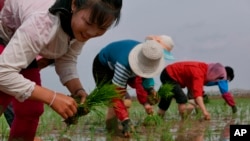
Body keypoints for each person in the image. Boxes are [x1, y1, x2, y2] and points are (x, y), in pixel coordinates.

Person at [0, 0, 122, 140]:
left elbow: (67, 59)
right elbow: (2, 73)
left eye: (102, 28)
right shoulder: (43, 23)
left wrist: (78, 91)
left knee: (31, 110)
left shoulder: (78, 28)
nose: (92, 32)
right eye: (88, 23)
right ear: (74, 5)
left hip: (22, 48)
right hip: (3, 35)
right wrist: (52, 98)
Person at [92, 35, 173, 137]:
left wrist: (149, 91)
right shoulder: (124, 65)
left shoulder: (148, 54)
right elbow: (115, 96)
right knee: (113, 98)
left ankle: (119, 125)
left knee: (124, 99)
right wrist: (125, 120)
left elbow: (144, 77)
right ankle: (112, 130)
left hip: (124, 61)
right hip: (104, 66)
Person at [157, 61, 237, 120]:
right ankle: (183, 121)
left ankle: (157, 119)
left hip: (167, 73)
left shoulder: (204, 68)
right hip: (170, 75)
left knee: (166, 99)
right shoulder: (199, 74)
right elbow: (198, 96)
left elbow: (196, 92)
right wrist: (205, 112)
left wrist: (200, 102)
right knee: (182, 99)